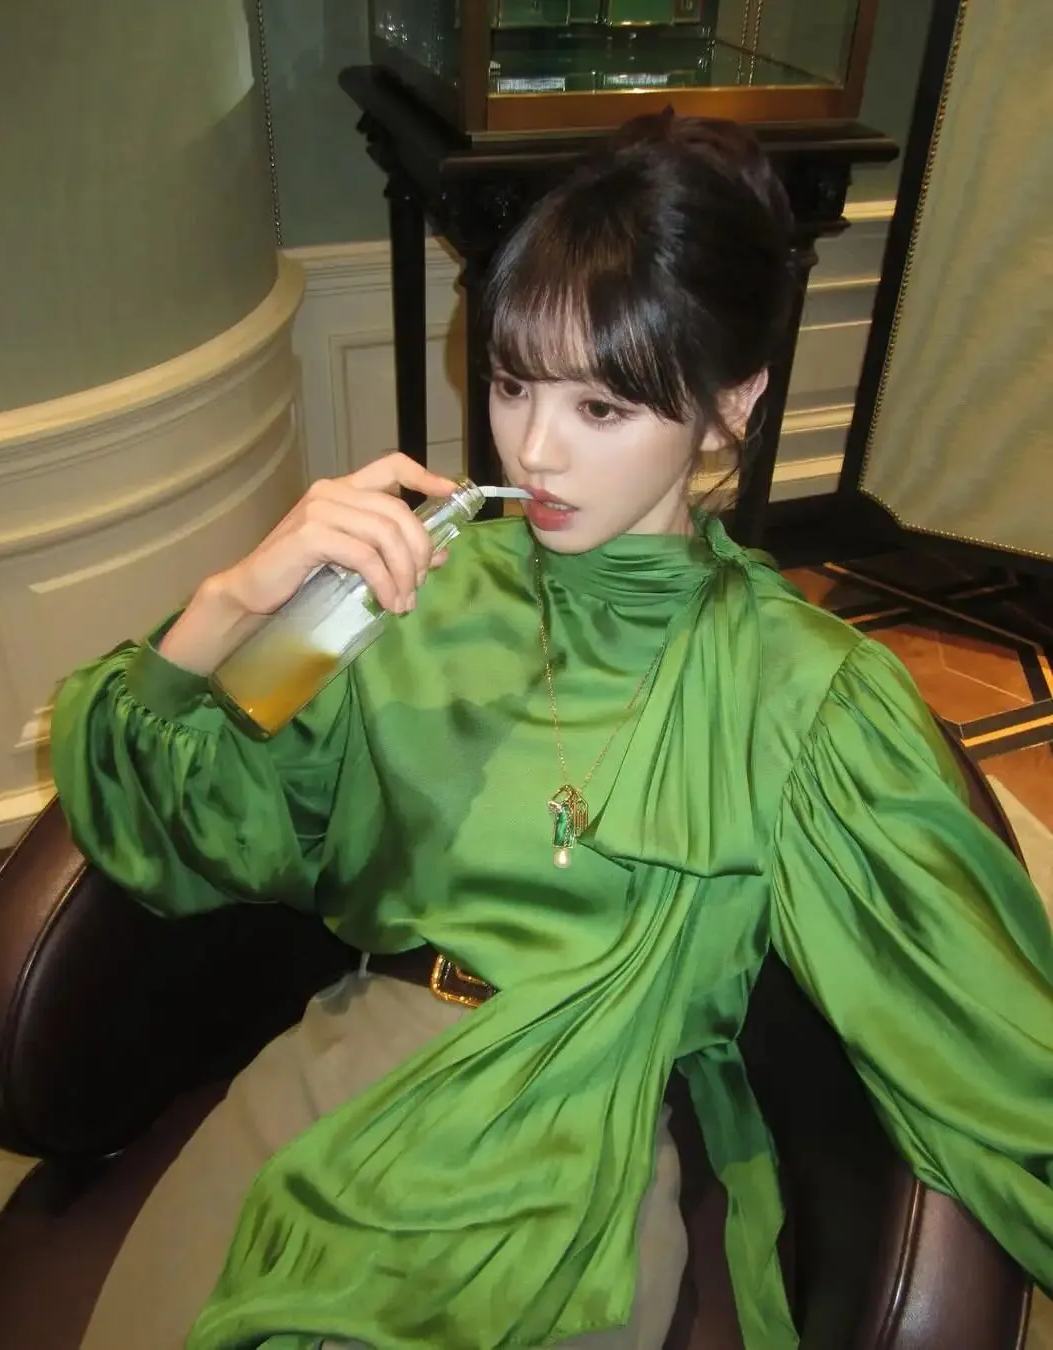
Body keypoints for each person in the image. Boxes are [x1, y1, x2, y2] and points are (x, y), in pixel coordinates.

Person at [51, 113, 1053, 1350]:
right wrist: (232, 605)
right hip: (334, 1081)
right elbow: (183, 823)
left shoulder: (807, 693)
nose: (533, 447)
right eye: (515, 383)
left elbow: (986, 1042)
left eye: (601, 406)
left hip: (570, 1152)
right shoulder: (404, 586)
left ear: (730, 406)